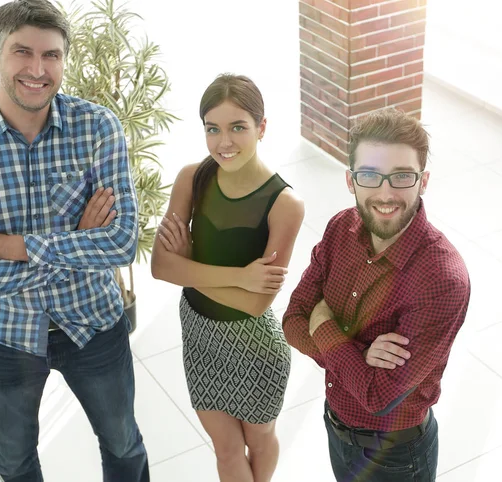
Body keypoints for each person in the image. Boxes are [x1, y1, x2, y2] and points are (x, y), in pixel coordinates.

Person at [0, 1, 149, 481]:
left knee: (124, 445)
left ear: (65, 60)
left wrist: (17, 245)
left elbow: (122, 244)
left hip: (93, 319)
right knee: (15, 462)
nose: (36, 69)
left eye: (51, 55)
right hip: (4, 335)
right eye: (21, 52)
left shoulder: (98, 128)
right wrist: (76, 241)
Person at [283, 109, 470, 482]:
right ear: (351, 181)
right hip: (335, 426)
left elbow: (378, 396)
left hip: (395, 456)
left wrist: (324, 324)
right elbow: (292, 320)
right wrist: (357, 356)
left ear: (424, 181)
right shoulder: (340, 228)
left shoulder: (442, 279)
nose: (385, 194)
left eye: (402, 176)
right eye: (370, 175)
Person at [151, 74, 305, 482]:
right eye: (212, 129)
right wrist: (238, 275)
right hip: (199, 335)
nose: (225, 142)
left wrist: (186, 267)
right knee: (225, 450)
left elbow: (256, 303)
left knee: (260, 437)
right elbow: (159, 267)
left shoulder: (285, 204)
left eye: (238, 127)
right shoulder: (191, 178)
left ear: (262, 128)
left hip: (255, 347)